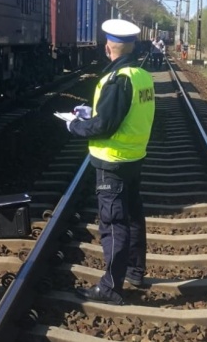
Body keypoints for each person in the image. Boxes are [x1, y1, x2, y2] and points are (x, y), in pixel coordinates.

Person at [65, 18, 155, 305]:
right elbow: (122, 115)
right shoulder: (141, 75)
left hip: (112, 162)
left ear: (108, 47)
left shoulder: (116, 80)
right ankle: (135, 270)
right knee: (132, 217)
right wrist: (91, 112)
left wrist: (74, 126)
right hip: (133, 157)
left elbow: (105, 126)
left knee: (113, 223)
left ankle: (111, 288)